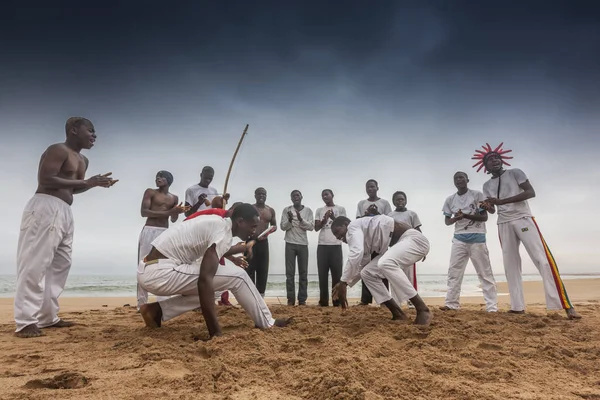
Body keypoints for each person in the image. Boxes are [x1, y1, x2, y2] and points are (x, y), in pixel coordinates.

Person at [14, 117, 118, 338]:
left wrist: (93, 184)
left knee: (61, 264)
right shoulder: (58, 150)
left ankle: (47, 317)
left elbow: (75, 189)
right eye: (90, 130)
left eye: (95, 132)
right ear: (73, 130)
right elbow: (46, 179)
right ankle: (25, 322)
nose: (94, 135)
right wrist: (87, 182)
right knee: (35, 262)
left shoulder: (83, 160)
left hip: (65, 211)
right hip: (44, 206)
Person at [137, 204, 290, 338]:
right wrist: (214, 332)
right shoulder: (223, 231)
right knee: (239, 277)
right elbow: (204, 279)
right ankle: (267, 322)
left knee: (217, 288)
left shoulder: (218, 224)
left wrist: (241, 248)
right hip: (161, 273)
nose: (254, 231)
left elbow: (216, 251)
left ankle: (156, 311)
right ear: (240, 222)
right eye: (253, 226)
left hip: (150, 268)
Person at [474, 143, 580, 319]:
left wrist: (503, 201)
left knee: (542, 259)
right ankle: (517, 307)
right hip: (504, 223)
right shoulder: (486, 185)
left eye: (496, 157)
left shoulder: (516, 173)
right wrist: (487, 206)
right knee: (510, 265)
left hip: (523, 218)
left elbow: (531, 192)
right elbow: (492, 209)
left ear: (502, 160)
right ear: (485, 166)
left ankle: (565, 305)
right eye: (490, 159)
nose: (494, 160)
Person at [330, 215, 432, 326]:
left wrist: (343, 282)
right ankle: (398, 313)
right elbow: (361, 266)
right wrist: (346, 283)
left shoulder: (353, 227)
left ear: (346, 224)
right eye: (335, 236)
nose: (338, 237)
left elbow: (356, 253)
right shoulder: (362, 237)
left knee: (385, 263)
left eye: (337, 231)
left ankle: (423, 309)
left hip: (414, 240)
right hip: (402, 244)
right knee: (367, 273)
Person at [440, 172, 497, 312]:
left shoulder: (477, 195)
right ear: (454, 182)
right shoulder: (450, 199)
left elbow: (484, 217)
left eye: (461, 178)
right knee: (454, 272)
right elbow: (447, 221)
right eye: (456, 178)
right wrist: (456, 219)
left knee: (484, 273)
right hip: (459, 238)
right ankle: (451, 304)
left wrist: (465, 215)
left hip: (477, 238)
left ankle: (492, 307)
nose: (459, 180)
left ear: (467, 180)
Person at [137, 170, 189, 309]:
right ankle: (141, 303)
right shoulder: (150, 192)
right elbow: (144, 212)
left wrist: (178, 212)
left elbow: (172, 219)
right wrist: (169, 212)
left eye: (161, 177)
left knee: (164, 264)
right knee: (144, 263)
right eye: (156, 177)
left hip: (165, 232)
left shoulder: (174, 198)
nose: (158, 179)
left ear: (168, 180)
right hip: (150, 229)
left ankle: (162, 301)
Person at [356, 179, 392, 305]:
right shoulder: (361, 203)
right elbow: (358, 221)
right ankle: (365, 300)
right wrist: (366, 214)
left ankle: (384, 300)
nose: (370, 189)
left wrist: (377, 214)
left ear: (377, 188)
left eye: (372, 186)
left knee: (381, 268)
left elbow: (389, 220)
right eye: (368, 187)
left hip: (381, 239)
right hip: (367, 240)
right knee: (365, 268)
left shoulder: (384, 203)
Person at [388, 191, 423, 306]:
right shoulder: (390, 216)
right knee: (395, 275)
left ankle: (412, 302)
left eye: (402, 199)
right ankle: (397, 301)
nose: (400, 202)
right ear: (394, 202)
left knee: (410, 277)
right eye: (397, 200)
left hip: (409, 249)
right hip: (395, 249)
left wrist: (421, 248)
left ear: (406, 200)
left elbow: (418, 231)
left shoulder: (411, 214)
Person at [280, 190, 314, 306]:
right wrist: (289, 220)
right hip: (290, 243)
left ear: (301, 197)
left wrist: (300, 219)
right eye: (293, 196)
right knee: (290, 273)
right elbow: (282, 227)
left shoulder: (308, 211)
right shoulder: (287, 210)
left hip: (303, 244)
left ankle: (302, 300)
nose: (295, 197)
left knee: (303, 273)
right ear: (291, 198)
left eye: (297, 195)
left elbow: (311, 227)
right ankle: (290, 299)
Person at [314, 189, 347, 306]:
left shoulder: (341, 209)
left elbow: (344, 225)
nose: (324, 196)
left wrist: (333, 218)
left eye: (327, 194)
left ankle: (336, 301)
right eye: (323, 195)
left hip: (336, 245)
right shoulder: (319, 210)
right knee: (322, 275)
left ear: (332, 195)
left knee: (336, 275)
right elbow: (316, 228)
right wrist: (324, 219)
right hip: (322, 245)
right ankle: (323, 301)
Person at [247, 187, 277, 297]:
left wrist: (268, 233)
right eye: (259, 194)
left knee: (263, 268)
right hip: (250, 241)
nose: (261, 196)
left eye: (263, 194)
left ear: (266, 196)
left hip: (263, 242)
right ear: (255, 195)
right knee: (249, 268)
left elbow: (274, 226)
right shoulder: (250, 208)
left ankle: (261, 295)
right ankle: (250, 294)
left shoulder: (270, 210)